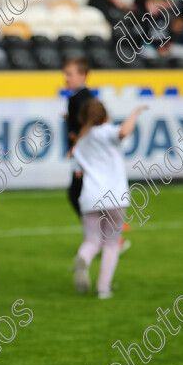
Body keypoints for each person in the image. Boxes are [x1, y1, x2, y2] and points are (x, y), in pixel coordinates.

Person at [71, 101, 147, 299]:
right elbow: (123, 132)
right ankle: (103, 288)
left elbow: (78, 174)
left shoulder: (80, 143)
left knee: (92, 241)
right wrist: (135, 113)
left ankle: (84, 258)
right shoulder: (106, 131)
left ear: (82, 119)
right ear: (105, 117)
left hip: (90, 197)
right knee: (112, 244)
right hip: (115, 197)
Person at [64, 57, 94, 219]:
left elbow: (90, 125)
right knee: (80, 194)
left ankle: (105, 233)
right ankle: (102, 233)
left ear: (83, 75)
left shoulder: (81, 99)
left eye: (70, 74)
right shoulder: (81, 97)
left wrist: (76, 146)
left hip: (84, 154)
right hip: (82, 153)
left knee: (77, 194)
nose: (66, 78)